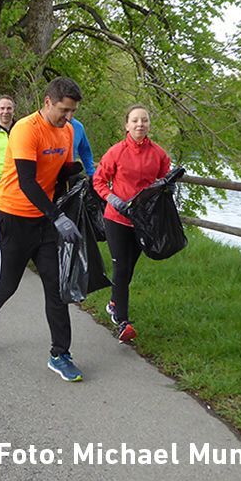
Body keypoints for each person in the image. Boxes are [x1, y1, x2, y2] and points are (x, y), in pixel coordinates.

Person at [0, 77, 85, 382]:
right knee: (6, 285)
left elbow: (62, 174)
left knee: (56, 289)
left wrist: (84, 179)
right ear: (47, 102)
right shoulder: (26, 129)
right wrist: (58, 216)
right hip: (12, 217)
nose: (68, 117)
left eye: (72, 111)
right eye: (64, 110)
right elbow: (28, 182)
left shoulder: (68, 131)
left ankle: (60, 354)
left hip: (44, 221)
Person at [92, 104, 170, 343]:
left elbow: (165, 178)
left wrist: (168, 186)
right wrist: (113, 199)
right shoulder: (116, 152)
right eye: (135, 120)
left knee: (128, 270)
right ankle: (123, 322)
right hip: (116, 218)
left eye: (144, 120)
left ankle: (114, 302)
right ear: (126, 125)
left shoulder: (158, 153)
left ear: (149, 125)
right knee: (121, 267)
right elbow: (99, 181)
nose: (140, 124)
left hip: (142, 221)